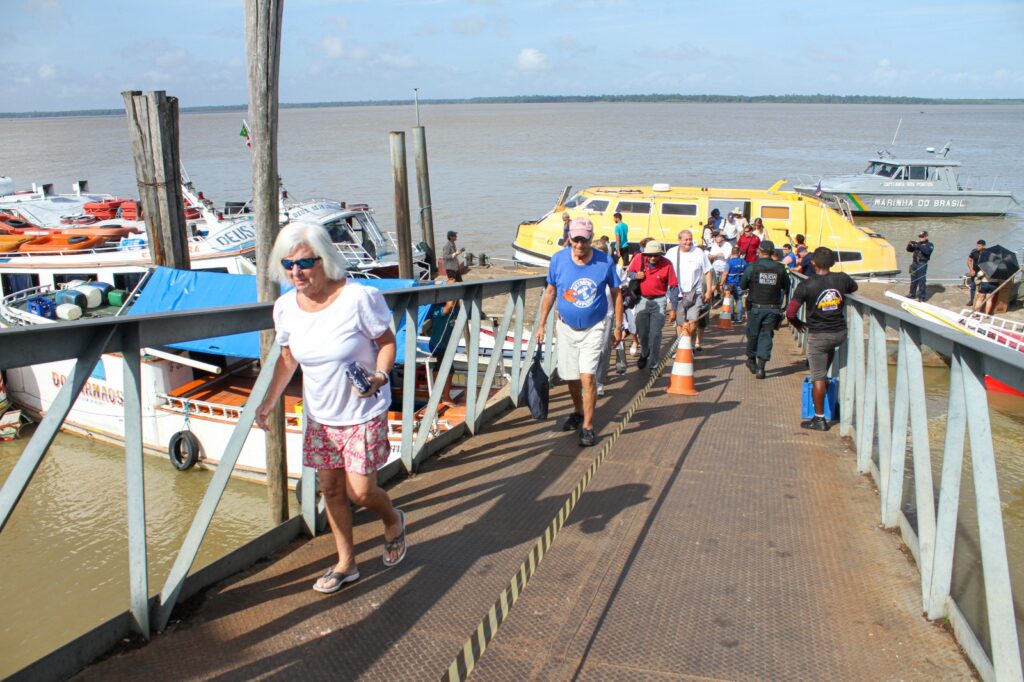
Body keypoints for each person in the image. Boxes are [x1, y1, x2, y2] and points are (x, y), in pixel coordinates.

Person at [257, 221, 407, 594]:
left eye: (305, 263)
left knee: (360, 492)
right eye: (289, 264)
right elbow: (288, 358)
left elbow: (387, 342)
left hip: (362, 411)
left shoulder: (359, 297)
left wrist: (380, 376)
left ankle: (393, 518)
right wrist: (269, 400)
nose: (296, 272)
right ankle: (346, 563)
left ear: (326, 260)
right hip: (321, 416)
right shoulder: (285, 307)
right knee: (332, 491)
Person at [536, 217, 624, 447]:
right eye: (575, 239)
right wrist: (542, 324)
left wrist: (618, 325)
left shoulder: (605, 262)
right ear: (570, 238)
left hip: (594, 328)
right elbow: (550, 291)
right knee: (571, 377)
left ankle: (588, 426)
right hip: (565, 327)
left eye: (583, 240)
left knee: (587, 375)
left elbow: (617, 294)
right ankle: (577, 411)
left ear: (590, 239)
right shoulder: (558, 260)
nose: (579, 245)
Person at [786, 246, 858, 431]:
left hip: (819, 335)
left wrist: (797, 324)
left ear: (813, 263)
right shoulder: (841, 279)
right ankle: (832, 400)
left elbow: (790, 312)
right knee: (825, 368)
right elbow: (854, 287)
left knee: (817, 377)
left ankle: (819, 419)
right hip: (839, 333)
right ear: (832, 263)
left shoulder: (806, 285)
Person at [627, 240, 678, 375]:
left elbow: (673, 286)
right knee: (642, 333)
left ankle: (654, 365)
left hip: (659, 300)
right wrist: (635, 275)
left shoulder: (667, 264)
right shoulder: (639, 258)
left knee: (655, 334)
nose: (653, 257)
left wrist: (674, 308)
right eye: (650, 255)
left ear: (660, 254)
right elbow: (629, 273)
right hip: (642, 299)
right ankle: (644, 353)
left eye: (656, 255)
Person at [740, 241, 790, 379]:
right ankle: (761, 368)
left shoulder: (752, 267)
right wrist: (785, 306)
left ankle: (751, 359)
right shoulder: (780, 268)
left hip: (755, 308)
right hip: (773, 309)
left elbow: (743, 285)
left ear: (759, 251)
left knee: (753, 334)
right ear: (773, 252)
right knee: (766, 336)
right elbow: (787, 287)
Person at [665, 229, 712, 351]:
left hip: (695, 293)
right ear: (679, 240)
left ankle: (687, 342)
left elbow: (708, 271)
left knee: (693, 321)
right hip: (677, 293)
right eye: (686, 239)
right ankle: (682, 346)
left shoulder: (699, 252)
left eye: (690, 239)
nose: (688, 242)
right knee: (680, 322)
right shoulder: (671, 253)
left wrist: (709, 291)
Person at [906, 230, 934, 302]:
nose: (920, 238)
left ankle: (922, 297)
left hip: (922, 264)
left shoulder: (930, 245)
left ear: (926, 237)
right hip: (914, 264)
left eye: (922, 237)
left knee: (921, 281)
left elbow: (927, 252)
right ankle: (912, 294)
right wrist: (909, 244)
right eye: (920, 237)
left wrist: (918, 245)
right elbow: (909, 250)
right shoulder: (918, 244)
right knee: (913, 280)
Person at [724, 247, 748, 322]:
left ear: (731, 253)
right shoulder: (744, 262)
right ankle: (739, 318)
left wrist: (721, 283)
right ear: (739, 253)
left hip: (730, 284)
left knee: (730, 300)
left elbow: (725, 274)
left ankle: (731, 317)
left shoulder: (729, 262)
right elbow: (746, 274)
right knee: (739, 300)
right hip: (740, 284)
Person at [966, 239, 986, 306]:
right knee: (973, 286)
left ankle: (981, 301)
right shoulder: (974, 252)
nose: (977, 247)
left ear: (983, 246)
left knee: (982, 287)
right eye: (977, 246)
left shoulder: (987, 252)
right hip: (975, 272)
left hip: (983, 273)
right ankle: (972, 300)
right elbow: (969, 260)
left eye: (979, 246)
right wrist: (971, 270)